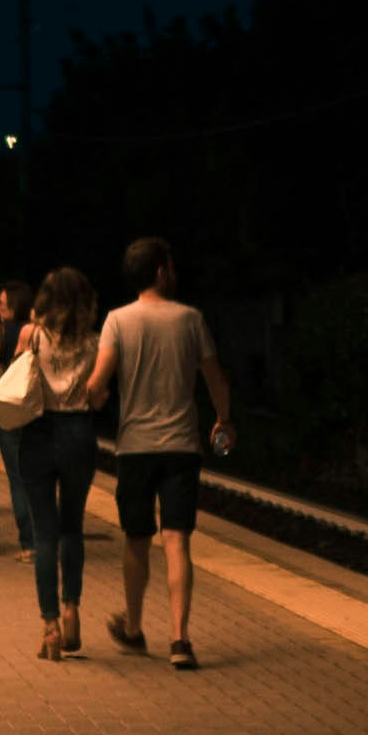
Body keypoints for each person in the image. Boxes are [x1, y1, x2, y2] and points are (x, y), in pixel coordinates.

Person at [97, 234, 239, 666]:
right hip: (181, 447)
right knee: (177, 540)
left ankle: (135, 628)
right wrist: (223, 419)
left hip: (135, 449)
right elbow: (215, 378)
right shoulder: (191, 319)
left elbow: (98, 381)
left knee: (136, 540)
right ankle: (180, 641)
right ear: (161, 271)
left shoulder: (117, 321)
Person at [1, 266, 112, 659]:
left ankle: (49, 627)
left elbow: (13, 375)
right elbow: (99, 399)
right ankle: (72, 609)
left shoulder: (31, 335)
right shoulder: (96, 342)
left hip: (37, 433)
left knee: (44, 533)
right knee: (72, 527)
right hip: (79, 433)